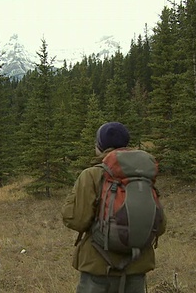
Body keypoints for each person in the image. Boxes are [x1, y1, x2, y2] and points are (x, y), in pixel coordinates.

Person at [61, 122, 167, 293]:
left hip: (98, 267)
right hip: (136, 267)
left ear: (100, 145)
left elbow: (77, 220)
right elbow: (160, 226)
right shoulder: (143, 175)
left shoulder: (92, 175)